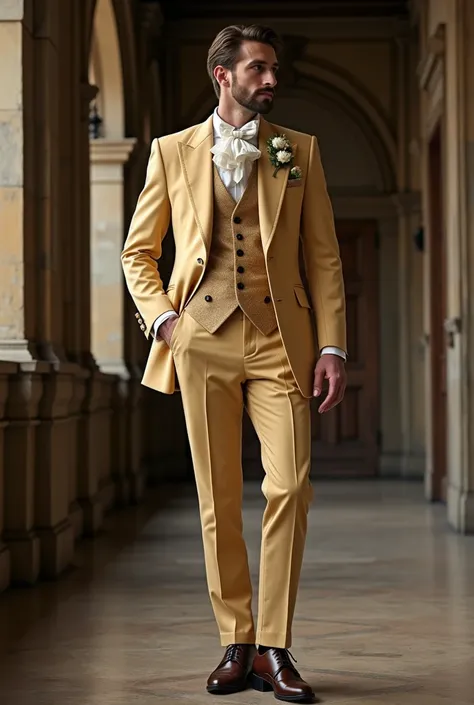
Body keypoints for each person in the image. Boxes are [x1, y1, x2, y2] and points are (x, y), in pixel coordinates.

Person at [121, 24, 347, 703]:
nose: (271, 78)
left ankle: (276, 645)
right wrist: (164, 318)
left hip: (282, 339)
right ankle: (237, 641)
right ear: (225, 75)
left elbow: (325, 257)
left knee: (290, 487)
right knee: (217, 497)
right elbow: (140, 252)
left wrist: (331, 343)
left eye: (273, 68)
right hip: (202, 338)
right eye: (259, 68)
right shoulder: (171, 151)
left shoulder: (296, 150)